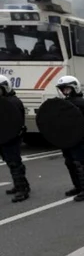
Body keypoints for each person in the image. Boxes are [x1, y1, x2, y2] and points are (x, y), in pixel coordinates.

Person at [55, 76, 84, 201]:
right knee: (70, 162)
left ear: (74, 88)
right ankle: (78, 186)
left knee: (79, 163)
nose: (65, 91)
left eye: (67, 89)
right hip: (67, 137)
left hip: (77, 136)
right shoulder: (67, 102)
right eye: (63, 89)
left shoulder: (79, 102)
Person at [1, 75, 30, 203]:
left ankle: (22, 190)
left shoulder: (13, 102)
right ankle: (22, 185)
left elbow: (14, 122)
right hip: (4, 137)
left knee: (14, 163)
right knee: (10, 161)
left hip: (12, 137)